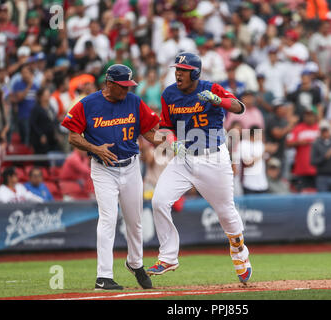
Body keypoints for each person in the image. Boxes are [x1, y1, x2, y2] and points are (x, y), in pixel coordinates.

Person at [147, 52, 252, 284]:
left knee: (226, 212)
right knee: (159, 201)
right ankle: (168, 257)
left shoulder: (211, 87)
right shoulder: (169, 94)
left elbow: (239, 107)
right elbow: (165, 127)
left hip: (213, 158)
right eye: (176, 69)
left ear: (195, 72)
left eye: (183, 70)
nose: (177, 73)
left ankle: (239, 253)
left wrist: (218, 100)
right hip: (184, 158)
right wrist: (172, 142)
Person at [61, 64, 160, 291]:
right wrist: (95, 148)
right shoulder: (88, 104)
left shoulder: (133, 101)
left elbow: (147, 131)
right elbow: (73, 137)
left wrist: (169, 141)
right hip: (104, 168)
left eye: (129, 85)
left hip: (131, 167)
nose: (127, 90)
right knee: (108, 219)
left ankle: (135, 263)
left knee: (134, 221)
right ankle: (103, 276)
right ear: (109, 83)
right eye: (122, 86)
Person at [286, 106, 320, 192]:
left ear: (315, 116)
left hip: (317, 170)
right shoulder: (298, 128)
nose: (309, 117)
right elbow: (288, 143)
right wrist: (299, 142)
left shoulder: (320, 129)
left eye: (311, 115)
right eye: (307, 115)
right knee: (301, 195)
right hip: (301, 169)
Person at [310, 120, 331, 192]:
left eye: (326, 130)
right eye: (323, 130)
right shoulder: (316, 143)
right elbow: (313, 161)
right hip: (322, 176)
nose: (325, 132)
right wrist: (325, 156)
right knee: (323, 199)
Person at [239, 125, 269, 194]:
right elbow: (248, 163)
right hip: (249, 184)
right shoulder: (244, 144)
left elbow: (266, 159)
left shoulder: (260, 144)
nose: (262, 136)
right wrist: (262, 154)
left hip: (263, 184)